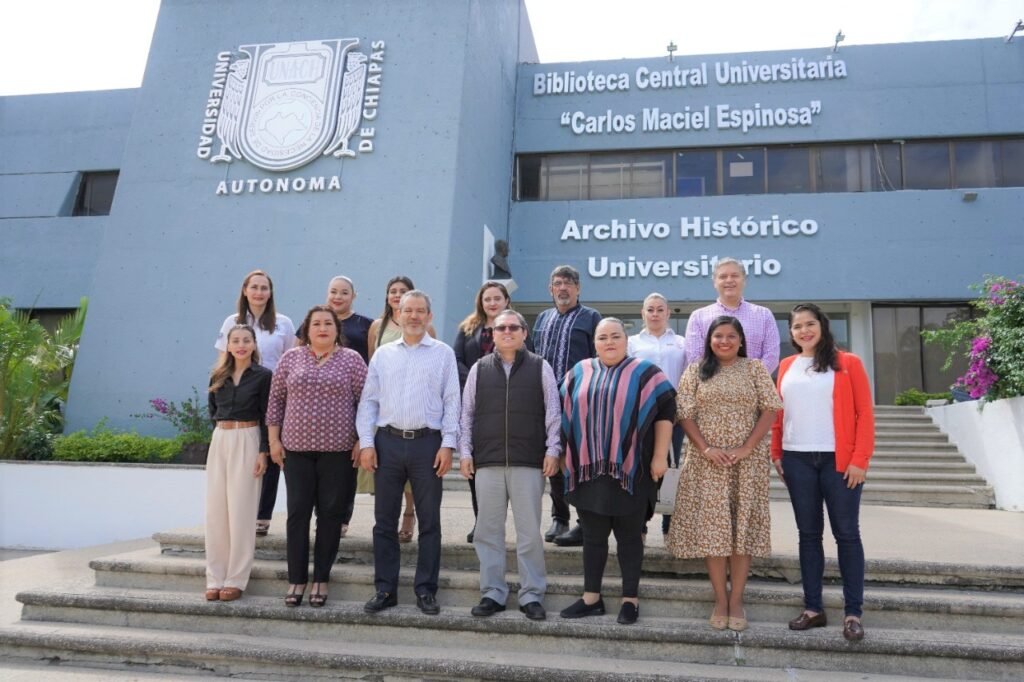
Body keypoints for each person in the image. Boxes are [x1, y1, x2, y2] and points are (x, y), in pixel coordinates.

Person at [666, 316, 781, 632]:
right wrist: (706, 448)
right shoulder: (695, 370)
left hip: (747, 462)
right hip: (707, 462)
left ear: (741, 340)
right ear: (709, 340)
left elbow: (770, 409)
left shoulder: (754, 368)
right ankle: (720, 599)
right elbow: (684, 413)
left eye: (731, 336)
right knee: (713, 531)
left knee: (741, 531)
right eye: (718, 336)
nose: (725, 341)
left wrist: (746, 448)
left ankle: (737, 600)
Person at [558, 318, 675, 625]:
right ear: (594, 343)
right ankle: (591, 598)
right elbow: (563, 412)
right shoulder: (578, 372)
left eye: (615, 336)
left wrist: (660, 456)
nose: (609, 342)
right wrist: (561, 454)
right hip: (588, 471)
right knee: (593, 538)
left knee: (630, 538)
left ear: (626, 340)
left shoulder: (646, 373)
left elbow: (666, 410)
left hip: (632, 470)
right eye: (602, 337)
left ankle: (630, 600)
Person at [771, 303, 874, 642]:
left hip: (838, 461)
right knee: (808, 535)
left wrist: (860, 459)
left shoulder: (848, 363)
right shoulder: (786, 365)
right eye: (797, 326)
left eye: (810, 324)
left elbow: (864, 414)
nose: (804, 331)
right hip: (797, 459)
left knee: (847, 534)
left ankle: (853, 612)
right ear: (791, 333)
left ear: (822, 326)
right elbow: (778, 414)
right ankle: (813, 608)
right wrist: (777, 453)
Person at [357, 290, 460, 616]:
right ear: (398, 315)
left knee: (429, 522)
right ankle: (385, 589)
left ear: (429, 316)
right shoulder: (383, 355)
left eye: (420, 311)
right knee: (384, 521)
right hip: (387, 443)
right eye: (408, 311)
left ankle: (426, 590)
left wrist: (448, 444)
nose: (414, 316)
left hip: (427, 444)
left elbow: (452, 401)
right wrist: (367, 443)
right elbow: (369, 401)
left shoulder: (443, 354)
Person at [458, 309, 561, 621]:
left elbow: (553, 412)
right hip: (487, 461)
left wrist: (553, 449)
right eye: (501, 328)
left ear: (524, 333)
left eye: (513, 327)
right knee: (488, 532)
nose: (507, 332)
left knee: (529, 533)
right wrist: (465, 452)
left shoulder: (540, 367)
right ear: (493, 334)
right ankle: (493, 592)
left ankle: (532, 595)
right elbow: (467, 413)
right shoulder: (479, 369)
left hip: (528, 461)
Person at [267, 306, 367, 608]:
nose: (322, 328)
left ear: (337, 329)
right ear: (307, 330)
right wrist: (273, 441)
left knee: (330, 514)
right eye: (316, 324)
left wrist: (362, 439)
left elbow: (366, 402)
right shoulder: (291, 358)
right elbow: (276, 402)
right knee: (297, 514)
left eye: (328, 323)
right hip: (296, 450)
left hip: (338, 451)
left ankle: (321, 578)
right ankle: (297, 579)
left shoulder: (352, 359)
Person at [214, 269, 296, 538]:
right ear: (245, 290)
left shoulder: (283, 323)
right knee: (246, 456)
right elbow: (223, 360)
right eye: (254, 287)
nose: (259, 292)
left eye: (264, 287)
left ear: (270, 293)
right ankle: (239, 513)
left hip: (275, 393)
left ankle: (262, 516)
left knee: (271, 452)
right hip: (243, 394)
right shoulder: (232, 321)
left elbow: (291, 360)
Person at [532, 264, 602, 546]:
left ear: (578, 288)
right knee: (553, 459)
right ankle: (559, 518)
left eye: (569, 283)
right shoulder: (542, 318)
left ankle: (585, 523)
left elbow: (599, 361)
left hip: (580, 403)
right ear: (550, 289)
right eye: (558, 283)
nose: (563, 288)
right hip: (545, 402)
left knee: (581, 461)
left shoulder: (591, 317)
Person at [365, 275, 436, 543]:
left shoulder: (428, 330)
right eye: (392, 291)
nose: (396, 294)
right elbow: (372, 365)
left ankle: (409, 513)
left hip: (417, 417)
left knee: (414, 479)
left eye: (402, 291)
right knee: (387, 483)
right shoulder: (377, 326)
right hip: (388, 412)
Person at [204, 324, 272, 602]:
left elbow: (268, 416)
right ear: (228, 345)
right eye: (235, 341)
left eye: (246, 340)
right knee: (216, 512)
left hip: (248, 438)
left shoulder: (264, 376)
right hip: (221, 439)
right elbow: (212, 411)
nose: (241, 345)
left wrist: (264, 451)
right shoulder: (217, 375)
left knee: (241, 512)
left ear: (254, 344)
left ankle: (235, 578)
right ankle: (215, 577)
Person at [309, 275, 374, 538]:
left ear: (353, 296)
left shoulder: (365, 325)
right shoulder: (313, 321)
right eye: (334, 291)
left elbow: (372, 360)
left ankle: (342, 517)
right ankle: (320, 516)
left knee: (347, 467)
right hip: (316, 407)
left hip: (351, 402)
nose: (338, 297)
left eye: (344, 292)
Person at [453, 280, 512, 543]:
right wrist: (476, 380)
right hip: (475, 404)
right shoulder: (468, 328)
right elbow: (456, 359)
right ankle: (481, 521)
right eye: (487, 298)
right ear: (481, 302)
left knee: (500, 469)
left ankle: (495, 523)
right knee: (476, 467)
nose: (492, 303)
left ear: (506, 300)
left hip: (506, 406)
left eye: (497, 298)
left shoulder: (515, 327)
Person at [627, 292, 687, 535]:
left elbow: (689, 377)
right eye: (650, 309)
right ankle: (639, 523)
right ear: (642, 313)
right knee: (641, 467)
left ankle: (669, 525)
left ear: (668, 313)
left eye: (660, 309)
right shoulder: (631, 343)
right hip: (640, 415)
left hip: (673, 415)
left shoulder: (682, 343)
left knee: (671, 466)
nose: (655, 314)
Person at [683, 258, 780, 374]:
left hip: (754, 383)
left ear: (744, 280)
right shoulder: (698, 317)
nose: (729, 280)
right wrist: (723, 380)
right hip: (711, 383)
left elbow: (771, 356)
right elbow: (694, 357)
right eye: (723, 276)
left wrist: (749, 379)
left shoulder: (764, 315)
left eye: (734, 276)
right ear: (714, 282)